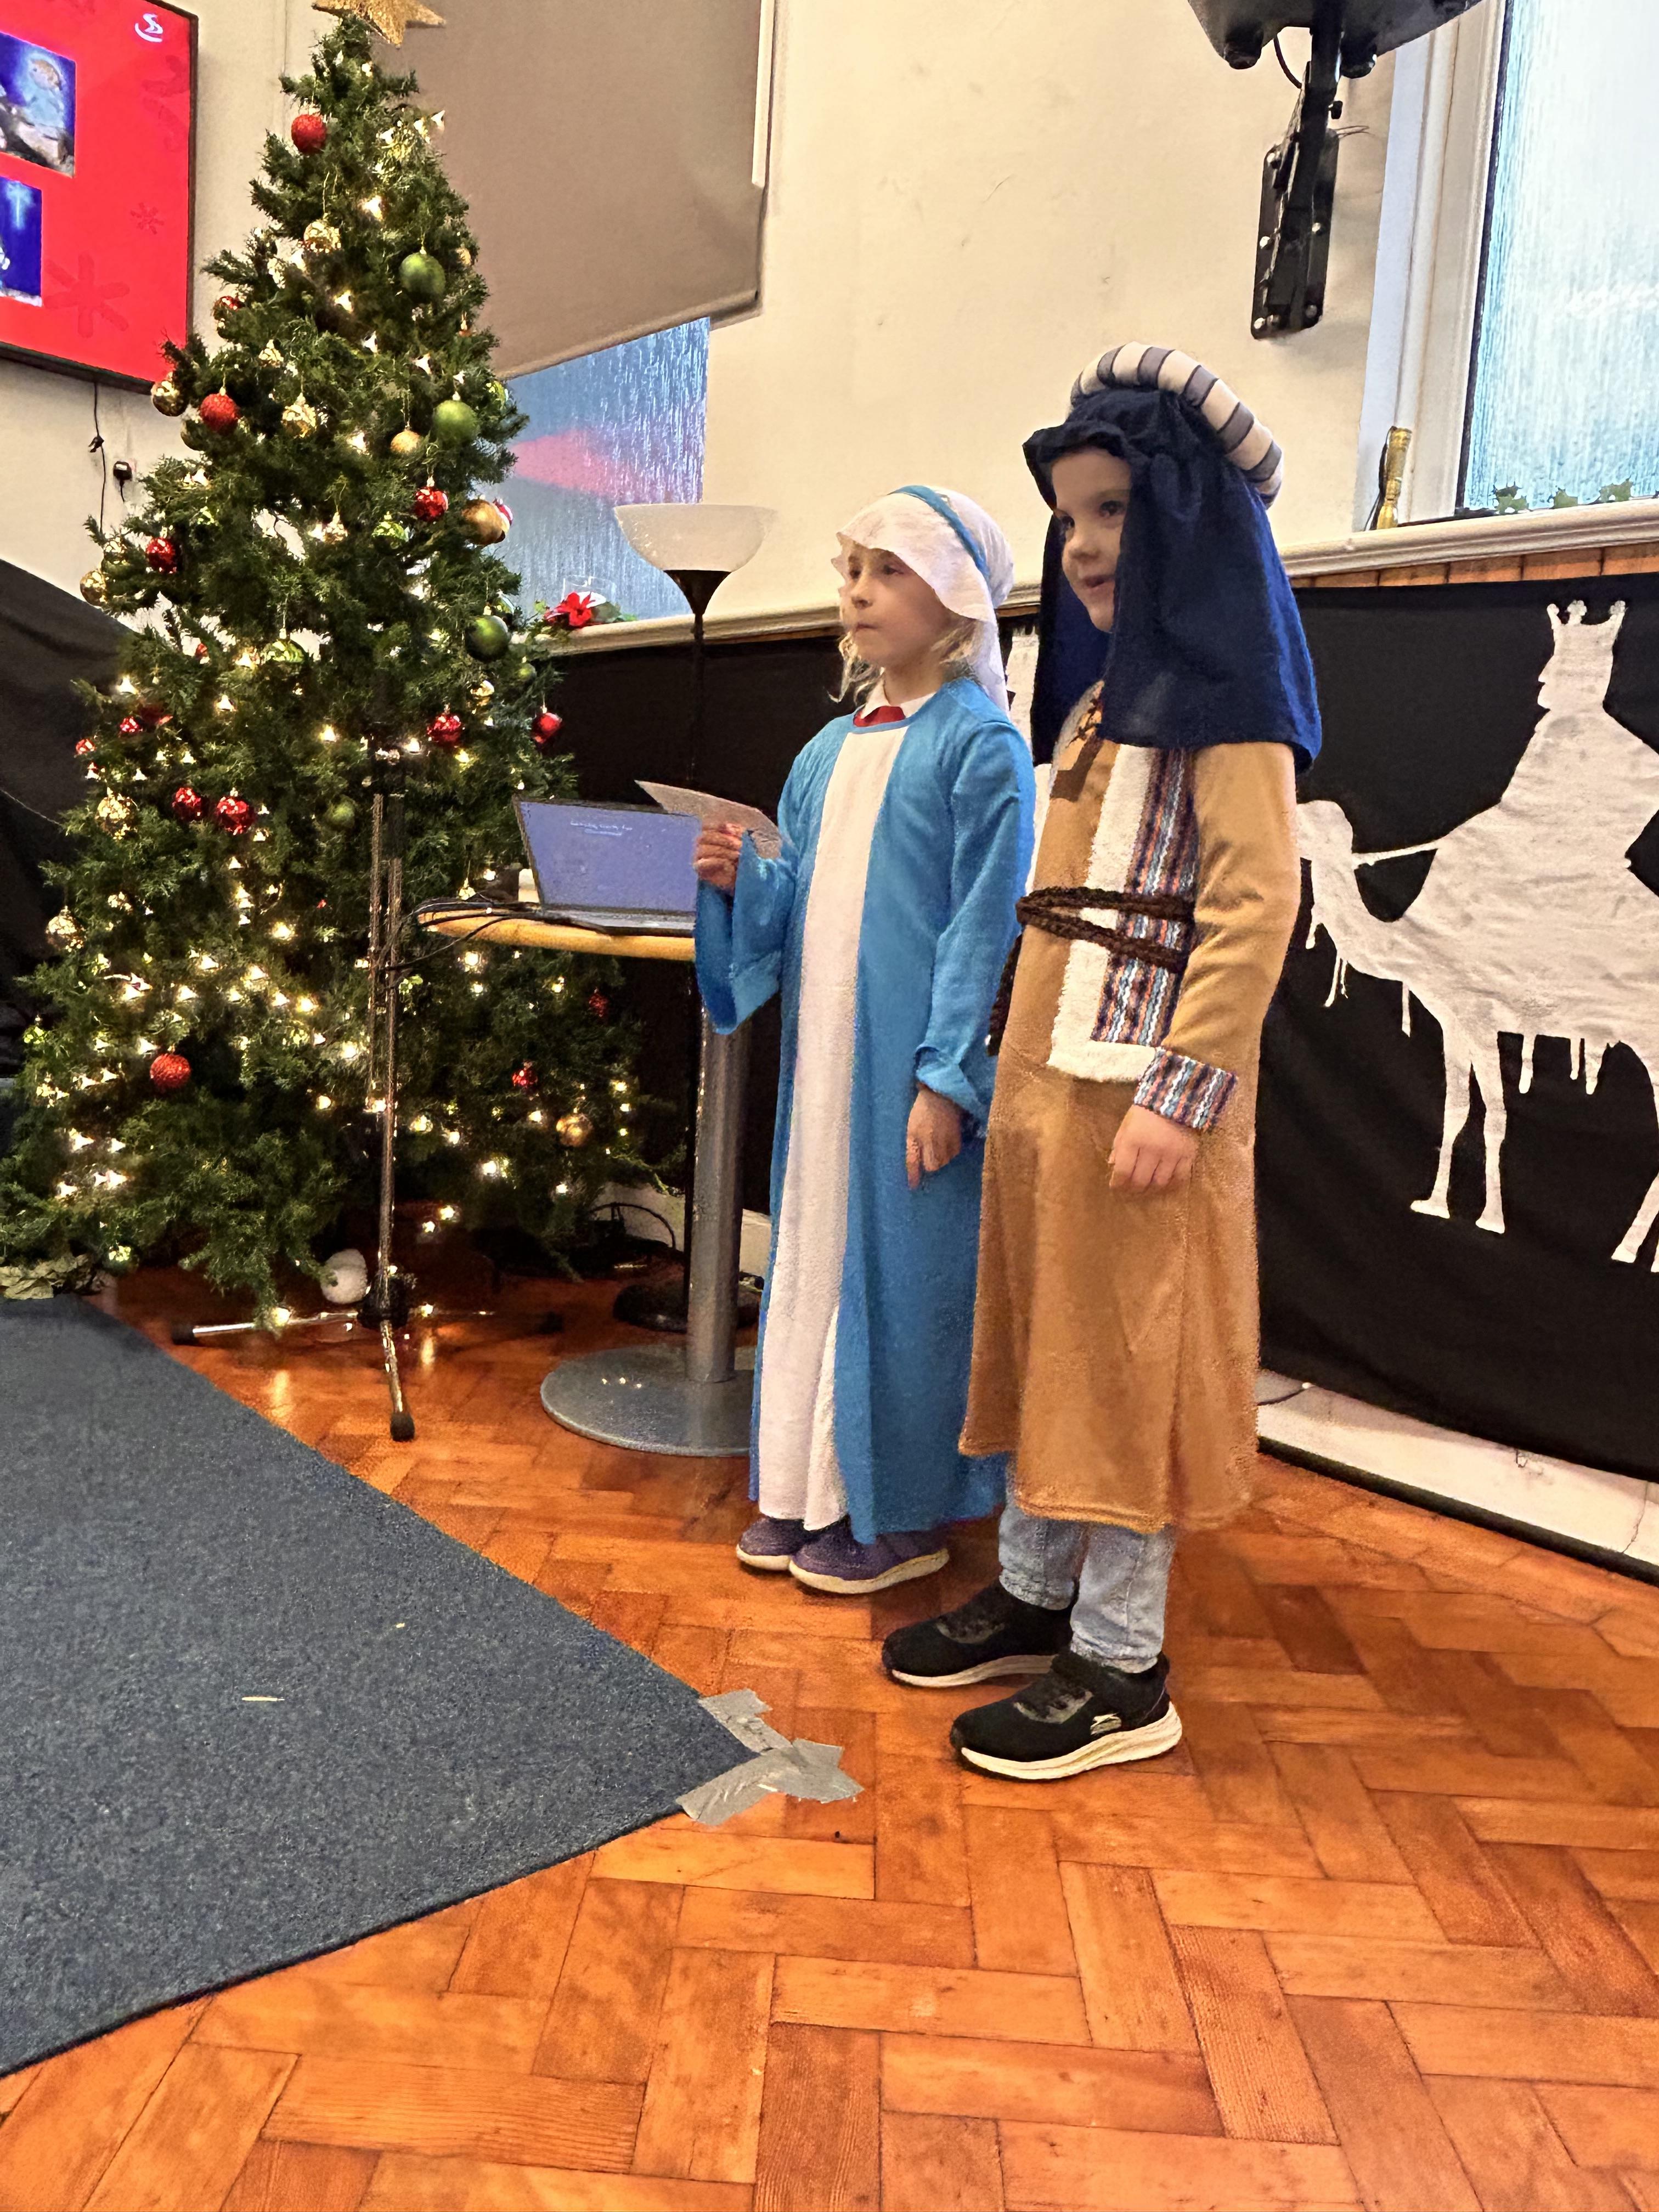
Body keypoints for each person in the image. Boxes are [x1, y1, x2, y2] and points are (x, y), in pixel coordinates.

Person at [882, 344, 1321, 1777]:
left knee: (1131, 1368)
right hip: (1049, 1083)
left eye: (1115, 512)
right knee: (1050, 1342)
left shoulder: (1230, 712)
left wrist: (1181, 1097)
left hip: (1141, 1097)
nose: (1081, 546)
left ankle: (1124, 1665)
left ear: (1188, 520)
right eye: (1070, 517)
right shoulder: (1088, 710)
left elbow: (1254, 907)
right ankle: (1034, 1590)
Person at [694, 487, 1034, 1595]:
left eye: (889, 571)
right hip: (827, 1066)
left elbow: (985, 928)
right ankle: (807, 1487)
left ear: (959, 599)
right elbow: (794, 902)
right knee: (816, 1254)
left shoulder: (981, 748)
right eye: (851, 571)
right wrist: (741, 881)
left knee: (909, 1276)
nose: (858, 593)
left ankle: (901, 1511)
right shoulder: (825, 751)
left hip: (908, 1067)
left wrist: (947, 1077)